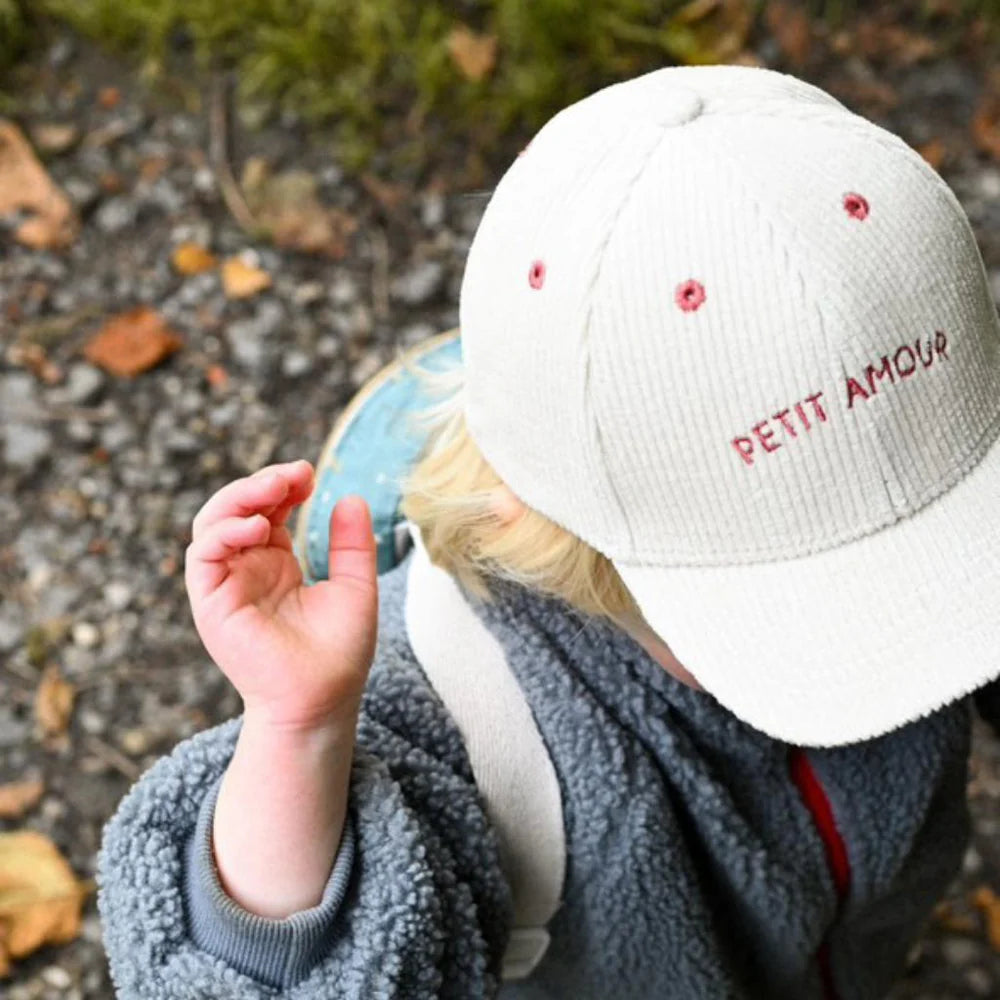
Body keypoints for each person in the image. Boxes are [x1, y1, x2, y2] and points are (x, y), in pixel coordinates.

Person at [97, 63, 1000, 1000]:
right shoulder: (472, 709)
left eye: (941, 549)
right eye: (804, 593)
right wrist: (301, 733)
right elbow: (261, 978)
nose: (881, 634)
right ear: (546, 526)